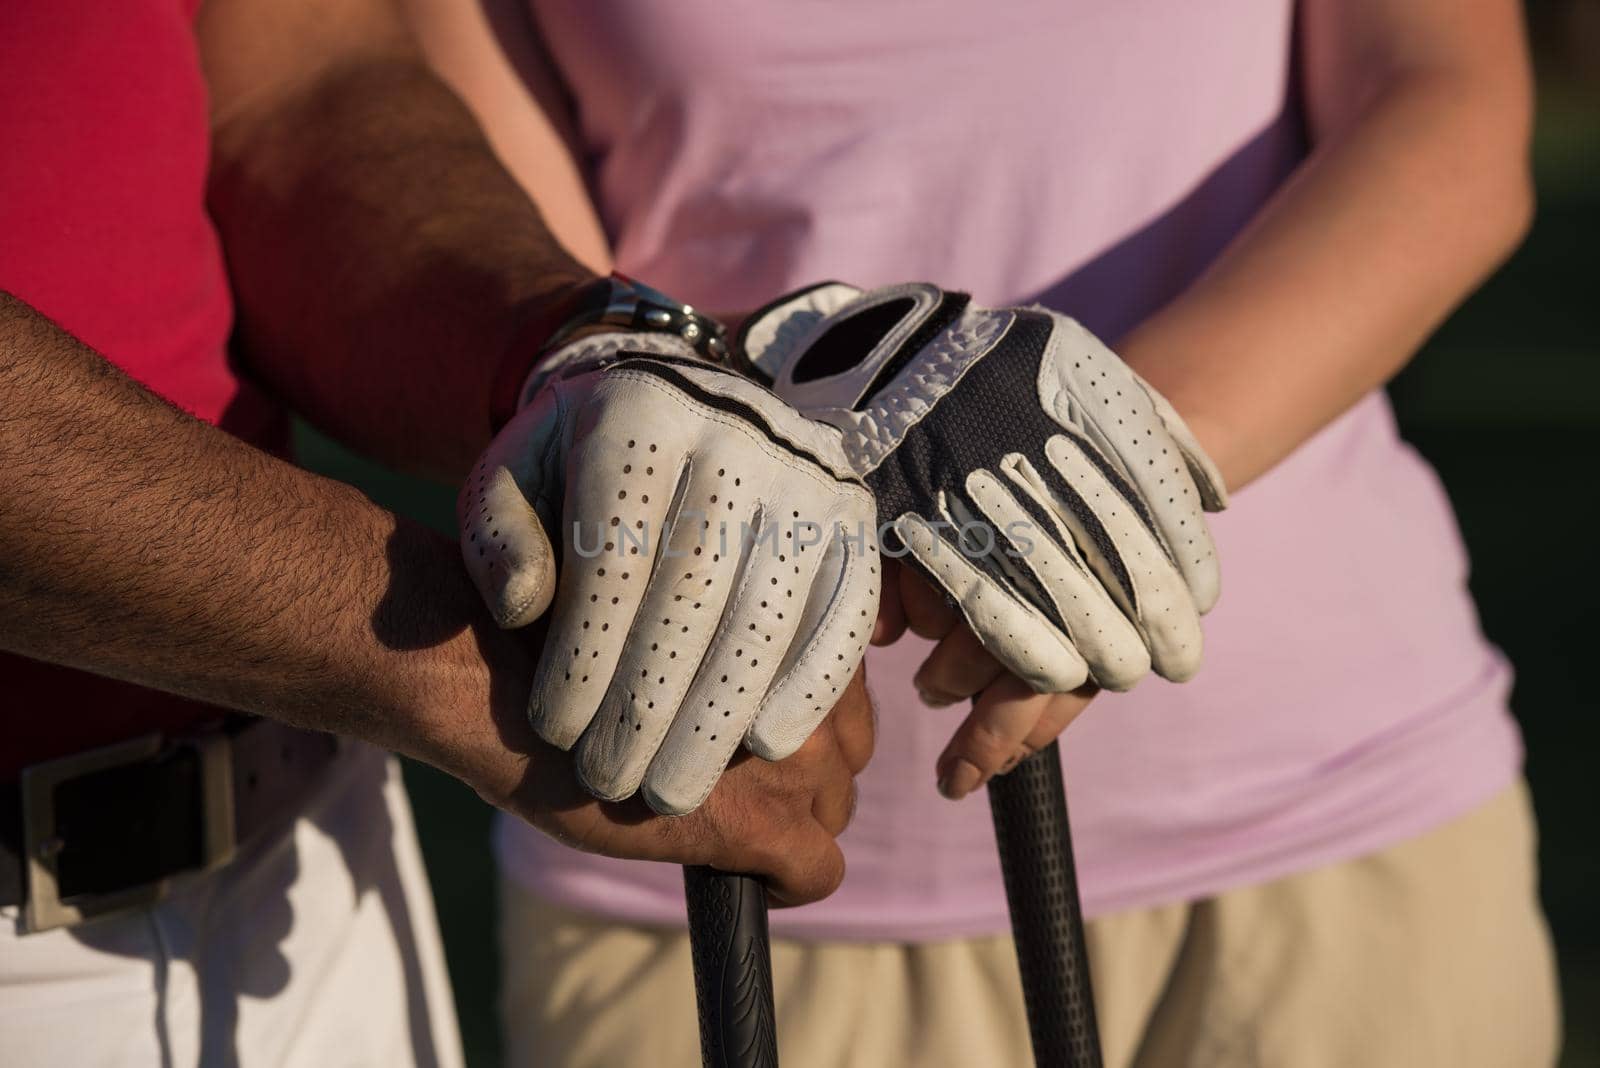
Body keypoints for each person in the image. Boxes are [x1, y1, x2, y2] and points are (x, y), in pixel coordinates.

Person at [432, 0, 1563, 1064]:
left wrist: (1114, 471)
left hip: (1324, 832)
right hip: (709, 851)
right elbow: (506, 262)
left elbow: (1437, 100)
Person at [0, 1, 875, 1065]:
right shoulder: (448, 678)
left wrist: (576, 355)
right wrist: (462, 669)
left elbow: (297, 92)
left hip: (309, 863)